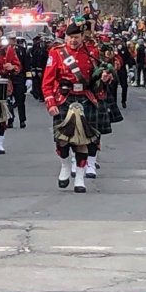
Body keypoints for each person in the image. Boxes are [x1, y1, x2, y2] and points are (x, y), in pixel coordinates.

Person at [42, 23, 113, 193]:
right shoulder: (56, 53)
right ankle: (65, 165)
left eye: (76, 37)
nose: (73, 41)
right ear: (66, 37)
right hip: (64, 98)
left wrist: (104, 78)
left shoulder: (91, 52)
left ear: (82, 37)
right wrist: (51, 102)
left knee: (84, 141)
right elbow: (47, 81)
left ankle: (80, 177)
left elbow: (98, 80)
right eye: (70, 37)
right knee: (62, 141)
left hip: (85, 98)